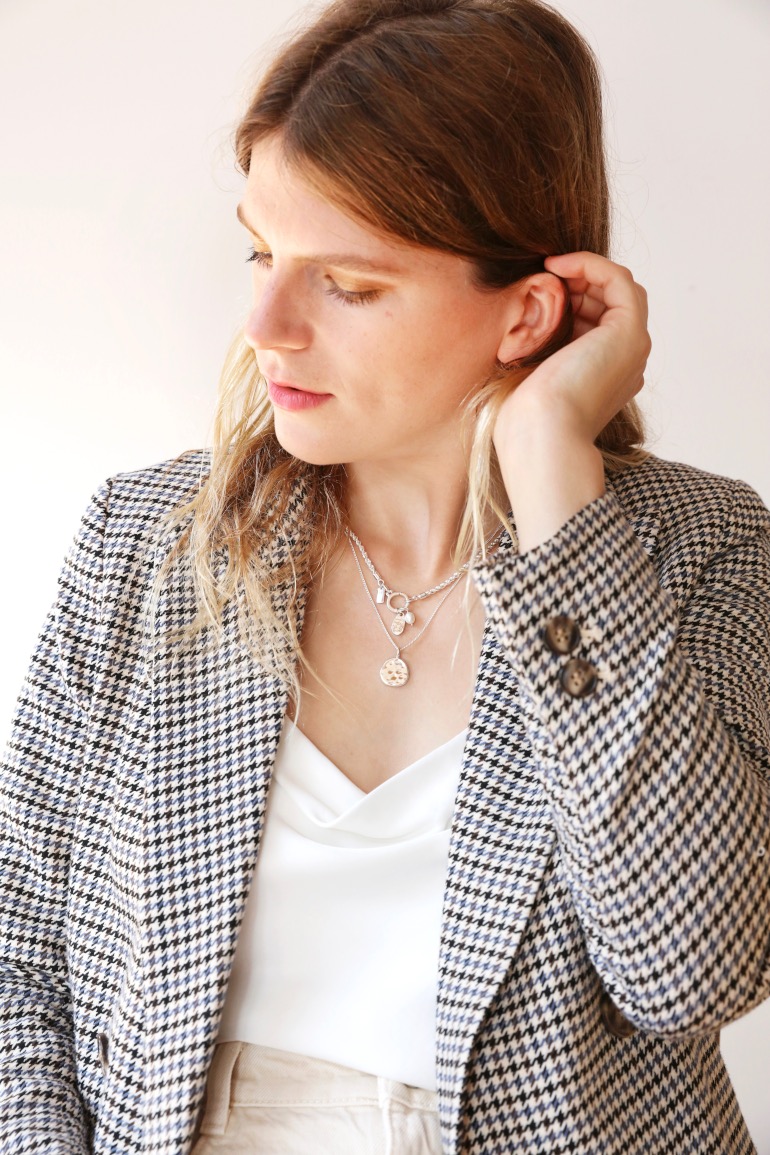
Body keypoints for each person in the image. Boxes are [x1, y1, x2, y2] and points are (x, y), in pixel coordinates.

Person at [1, 0, 769, 1151]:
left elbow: (689, 969)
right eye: (263, 253)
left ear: (526, 312)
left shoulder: (691, 551)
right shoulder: (149, 545)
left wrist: (555, 477)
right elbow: (17, 960)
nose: (265, 322)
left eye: (347, 285)